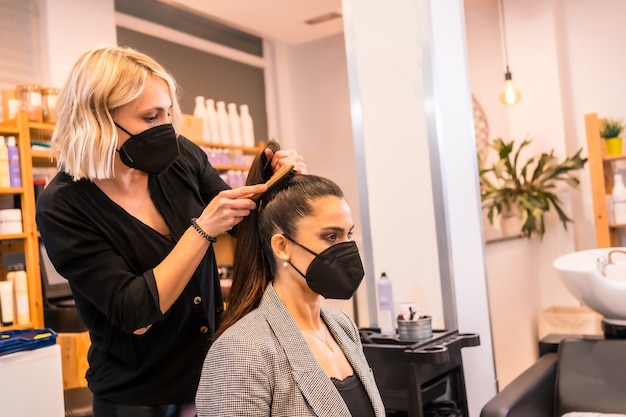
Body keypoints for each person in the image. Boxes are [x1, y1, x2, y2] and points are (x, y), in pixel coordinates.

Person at [35, 46, 306, 417]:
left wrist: (279, 181)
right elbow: (135, 311)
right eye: (150, 117)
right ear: (97, 119)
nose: (166, 128)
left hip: (212, 377)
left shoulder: (180, 157)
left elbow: (249, 230)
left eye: (167, 113)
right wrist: (202, 230)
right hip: (137, 396)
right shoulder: (64, 205)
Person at [195, 141, 386, 417]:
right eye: (331, 237)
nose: (345, 249)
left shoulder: (342, 327)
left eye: (348, 235)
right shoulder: (242, 350)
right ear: (282, 246)